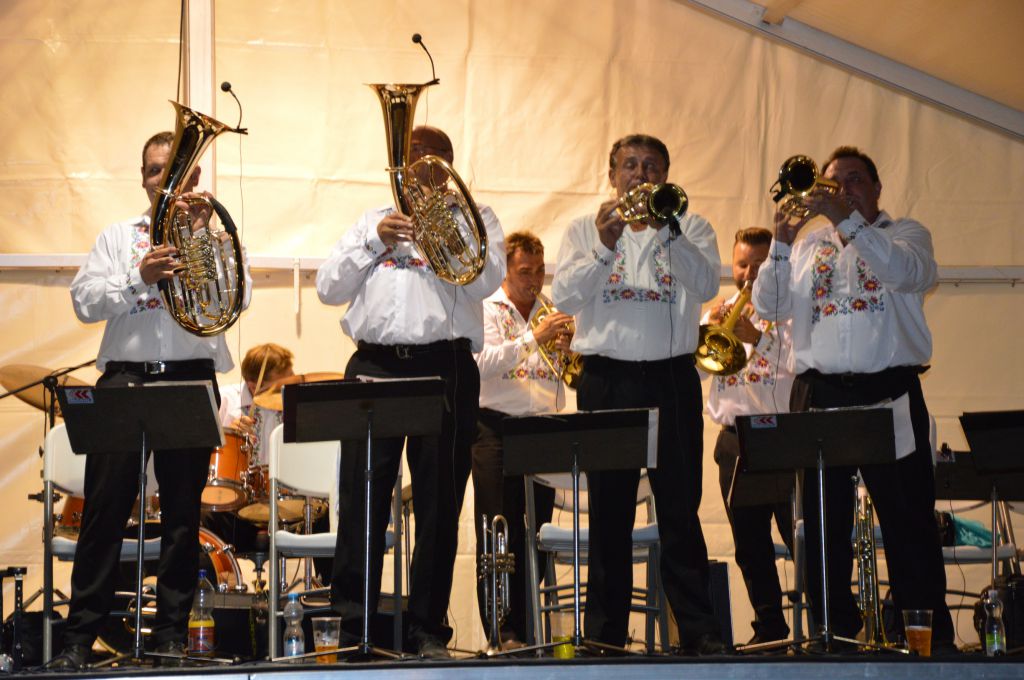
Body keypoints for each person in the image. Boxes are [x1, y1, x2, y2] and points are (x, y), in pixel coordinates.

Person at [51, 131, 250, 669]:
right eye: (155, 170)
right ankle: (79, 639)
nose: (164, 180)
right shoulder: (119, 237)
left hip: (190, 378)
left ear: (194, 179)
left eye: (174, 170)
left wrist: (204, 241)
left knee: (183, 515)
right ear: (144, 179)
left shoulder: (217, 236)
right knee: (105, 510)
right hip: (126, 378)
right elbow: (84, 301)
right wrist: (139, 278)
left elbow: (238, 299)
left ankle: (169, 637)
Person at [751, 146, 955, 651]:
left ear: (877, 188)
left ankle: (926, 641)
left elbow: (906, 274)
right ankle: (833, 636)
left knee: (908, 522)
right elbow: (768, 307)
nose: (842, 190)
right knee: (824, 524)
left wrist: (847, 220)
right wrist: (781, 242)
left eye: (855, 180)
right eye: (833, 182)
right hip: (820, 391)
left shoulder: (906, 234)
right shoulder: (806, 246)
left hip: (888, 391)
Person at [316, 125, 506, 658]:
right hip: (374, 364)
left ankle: (426, 629)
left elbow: (486, 282)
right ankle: (353, 628)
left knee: (439, 503)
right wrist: (375, 240)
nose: (421, 163)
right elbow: (328, 288)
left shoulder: (477, 218)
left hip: (444, 366)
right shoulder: (371, 220)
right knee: (362, 501)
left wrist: (442, 230)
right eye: (412, 154)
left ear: (449, 165)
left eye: (432, 155)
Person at [551, 134, 727, 655]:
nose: (641, 174)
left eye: (652, 165)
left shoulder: (691, 226)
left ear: (666, 176)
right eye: (629, 165)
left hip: (671, 379)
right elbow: (565, 296)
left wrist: (669, 229)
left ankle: (699, 631)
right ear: (612, 176)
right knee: (609, 512)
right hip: (607, 380)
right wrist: (605, 245)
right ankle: (605, 636)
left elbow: (707, 285)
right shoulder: (584, 229)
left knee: (679, 510)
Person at [472, 230, 569, 646]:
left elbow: (566, 377)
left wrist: (568, 351)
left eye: (540, 270)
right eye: (525, 271)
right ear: (506, 271)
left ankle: (529, 628)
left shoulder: (551, 311)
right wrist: (534, 338)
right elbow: (482, 364)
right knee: (498, 531)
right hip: (494, 427)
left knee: (538, 533)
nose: (535, 280)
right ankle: (502, 630)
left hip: (541, 429)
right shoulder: (487, 308)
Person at [699, 227, 795, 645]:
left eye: (759, 264)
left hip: (783, 437)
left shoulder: (791, 312)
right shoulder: (717, 314)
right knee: (750, 544)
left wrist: (758, 339)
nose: (750, 274)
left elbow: (802, 365)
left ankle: (823, 621)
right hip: (734, 439)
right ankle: (769, 628)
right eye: (742, 264)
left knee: (801, 537)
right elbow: (696, 371)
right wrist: (707, 330)